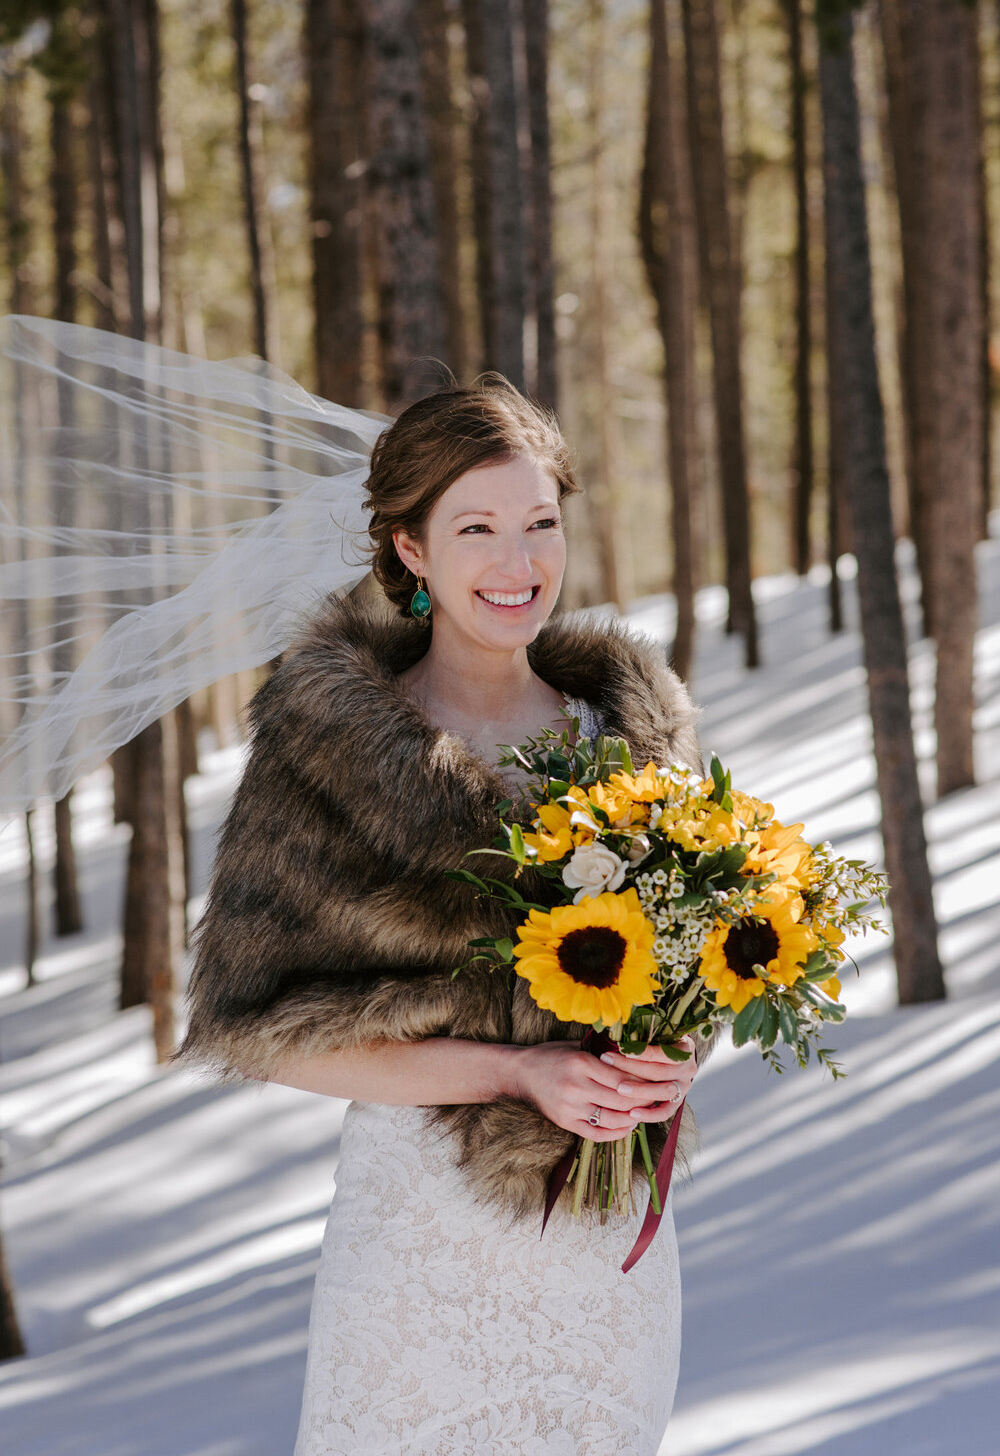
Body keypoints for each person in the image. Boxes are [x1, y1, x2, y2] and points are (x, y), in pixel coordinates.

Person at [171, 372, 710, 1455]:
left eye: (539, 523)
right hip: (424, 1244)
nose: (518, 564)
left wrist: (676, 1049)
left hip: (607, 1253)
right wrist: (516, 1071)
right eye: (477, 528)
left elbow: (702, 964)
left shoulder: (642, 730)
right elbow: (257, 1029)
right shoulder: (328, 741)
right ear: (411, 549)